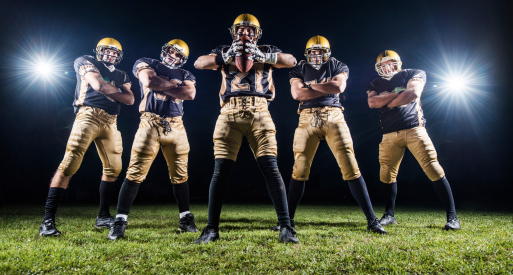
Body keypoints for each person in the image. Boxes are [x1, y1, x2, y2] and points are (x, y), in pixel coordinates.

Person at [193, 14, 299, 243]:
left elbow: (291, 61)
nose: (245, 34)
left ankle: (286, 227)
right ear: (233, 32)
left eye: (250, 30)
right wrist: (225, 55)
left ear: (257, 34)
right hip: (229, 112)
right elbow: (199, 63)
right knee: (220, 171)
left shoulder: (267, 49)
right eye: (241, 29)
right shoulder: (224, 49)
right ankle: (211, 228)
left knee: (271, 168)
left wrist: (265, 56)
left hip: (259, 111)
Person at [275, 35, 386, 234]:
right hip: (306, 117)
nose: (317, 56)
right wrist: (324, 88)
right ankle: (287, 220)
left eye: (321, 52)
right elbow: (297, 94)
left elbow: (338, 87)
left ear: (328, 53)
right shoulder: (299, 68)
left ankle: (372, 220)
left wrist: (310, 87)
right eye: (313, 52)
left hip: (333, 116)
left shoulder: (337, 64)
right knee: (299, 169)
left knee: (350, 166)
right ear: (307, 53)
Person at [39, 37, 134, 236]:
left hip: (111, 121)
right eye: (107, 51)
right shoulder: (85, 60)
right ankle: (47, 221)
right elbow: (97, 85)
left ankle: (103, 216)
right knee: (70, 163)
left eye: (115, 53)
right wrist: (116, 91)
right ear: (99, 51)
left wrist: (111, 90)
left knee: (114, 168)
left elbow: (130, 99)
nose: (111, 55)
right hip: (88, 115)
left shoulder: (122, 74)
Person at [107, 39, 198, 240]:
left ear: (182, 59)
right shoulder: (147, 62)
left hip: (177, 125)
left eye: (177, 54)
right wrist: (175, 86)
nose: (172, 55)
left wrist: (163, 85)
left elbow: (190, 93)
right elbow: (149, 81)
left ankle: (185, 218)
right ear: (164, 50)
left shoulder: (186, 74)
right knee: (135, 172)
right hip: (150, 123)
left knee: (181, 175)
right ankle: (120, 220)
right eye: (170, 51)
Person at [367, 50, 460, 230]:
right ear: (378, 68)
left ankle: (452, 217)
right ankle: (389, 215)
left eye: (390, 63)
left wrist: (387, 100)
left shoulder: (414, 73)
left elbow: (412, 94)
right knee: (386, 174)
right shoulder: (375, 83)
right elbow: (372, 103)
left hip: (414, 129)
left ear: (398, 63)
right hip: (388, 134)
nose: (387, 67)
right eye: (383, 65)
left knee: (433, 168)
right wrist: (397, 94)